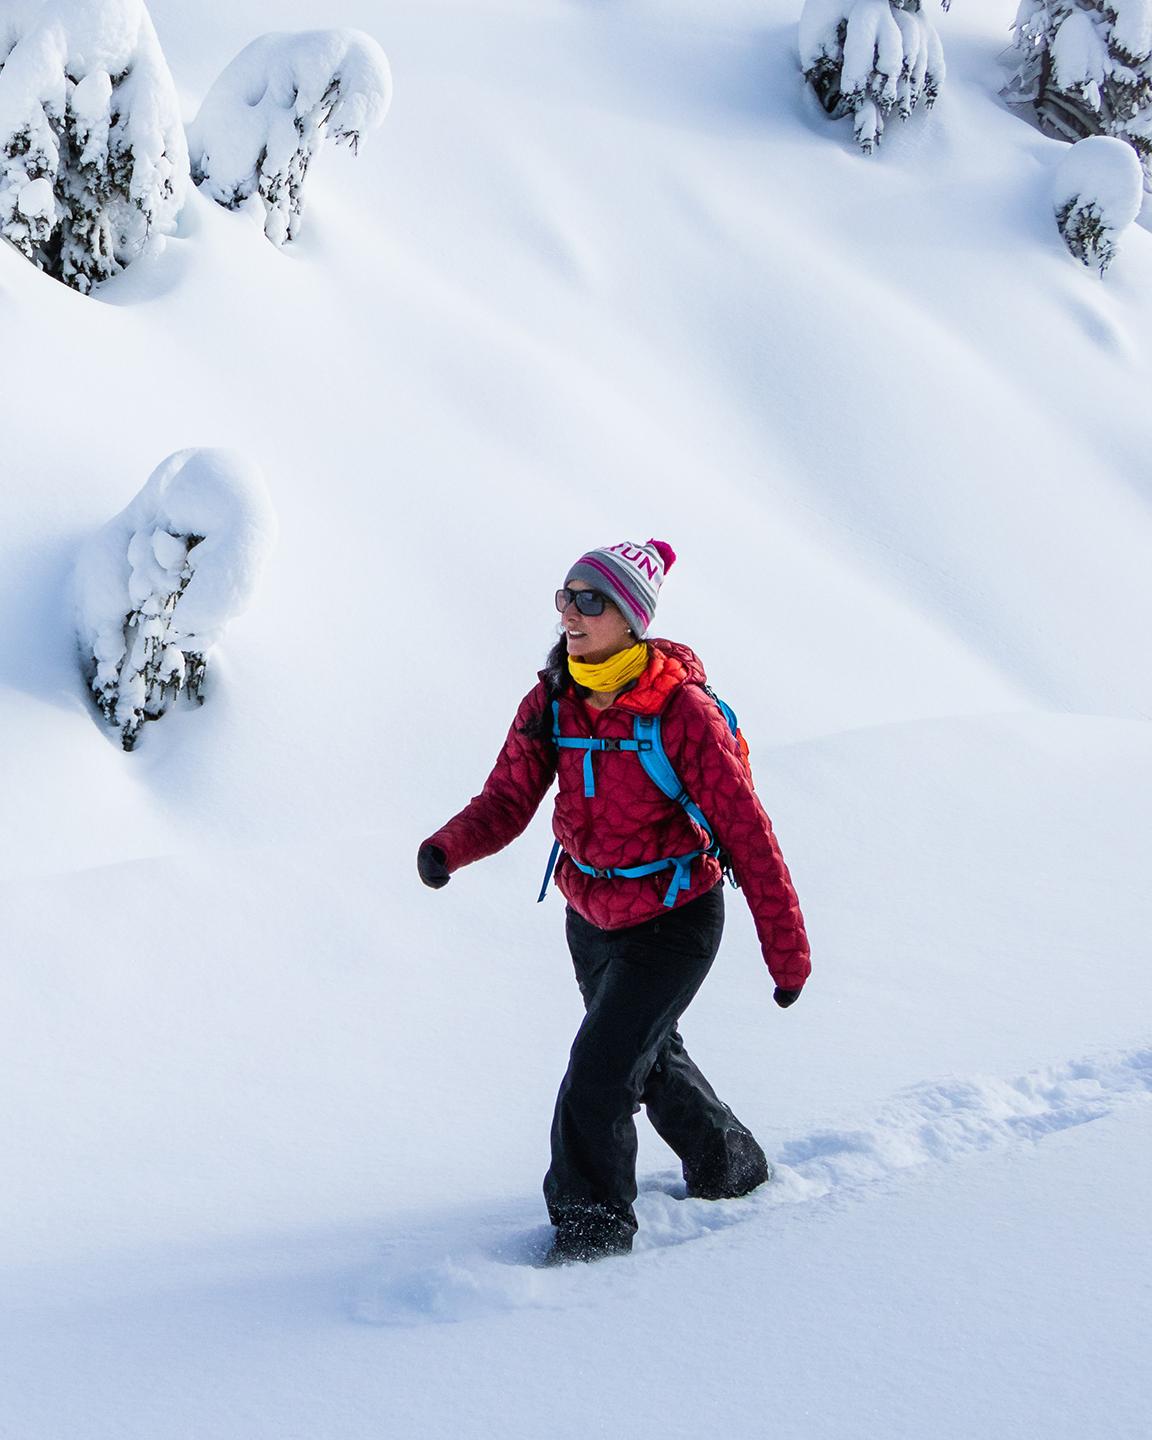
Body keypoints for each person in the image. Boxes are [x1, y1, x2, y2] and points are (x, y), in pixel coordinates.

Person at [418, 539, 810, 1264]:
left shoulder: (682, 712)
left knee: (598, 1076)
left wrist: (787, 956)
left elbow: (749, 835)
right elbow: (508, 798)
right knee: (648, 1057)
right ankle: (733, 1166)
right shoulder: (554, 698)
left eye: (589, 599)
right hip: (590, 918)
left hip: (675, 918)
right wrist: (448, 848)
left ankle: (592, 1231)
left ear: (631, 617)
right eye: (565, 595)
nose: (569, 611)